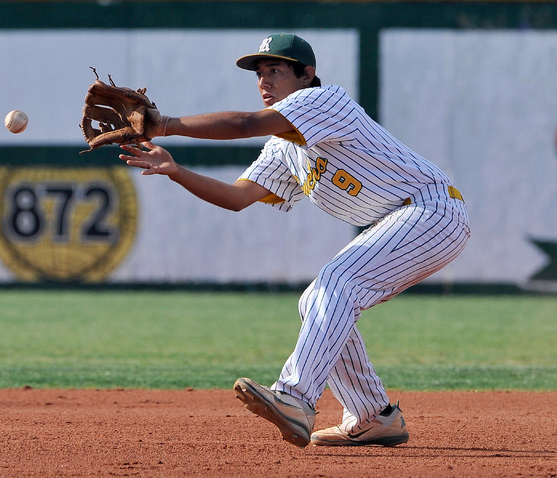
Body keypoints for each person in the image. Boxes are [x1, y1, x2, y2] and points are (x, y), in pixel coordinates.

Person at [119, 33, 470, 448]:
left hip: (433, 210)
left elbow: (246, 124)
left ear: (307, 75)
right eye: (259, 73)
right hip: (404, 220)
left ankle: (295, 398)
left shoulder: (324, 101)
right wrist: (176, 171)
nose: (263, 81)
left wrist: (164, 125)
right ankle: (373, 415)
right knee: (318, 298)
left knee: (337, 282)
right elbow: (237, 198)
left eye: (275, 70)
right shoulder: (283, 147)